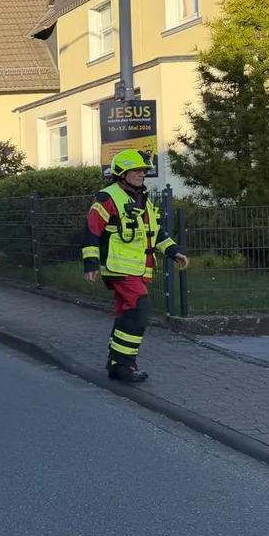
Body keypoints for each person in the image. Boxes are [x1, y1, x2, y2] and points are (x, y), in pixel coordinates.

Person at [81, 149, 189, 383]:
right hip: (119, 268)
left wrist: (174, 251)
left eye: (144, 171)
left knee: (126, 314)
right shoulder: (107, 197)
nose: (143, 174)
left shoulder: (142, 199)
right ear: (122, 173)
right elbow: (91, 231)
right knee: (140, 309)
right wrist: (90, 263)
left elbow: (156, 233)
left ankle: (116, 363)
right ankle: (125, 364)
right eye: (137, 170)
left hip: (137, 269)